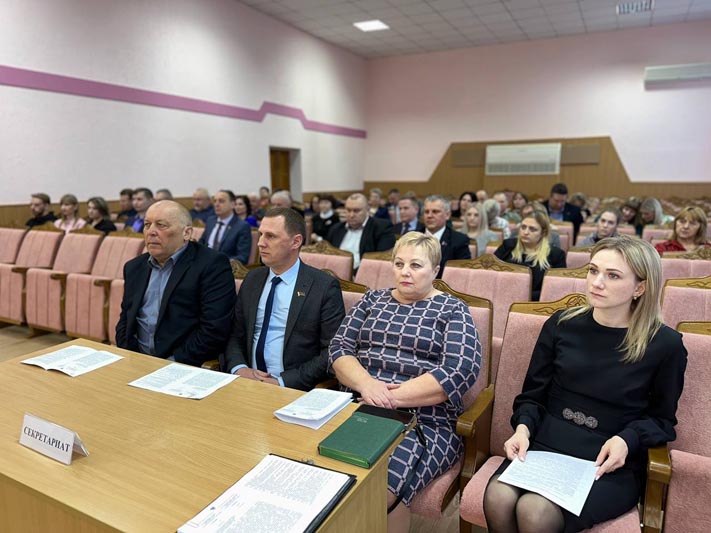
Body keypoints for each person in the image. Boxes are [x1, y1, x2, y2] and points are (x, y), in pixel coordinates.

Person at [483, 235, 687, 533]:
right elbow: (532, 396)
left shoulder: (665, 344)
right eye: (593, 270)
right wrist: (523, 429)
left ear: (640, 288)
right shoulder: (561, 324)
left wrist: (627, 440)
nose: (596, 282)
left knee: (535, 511)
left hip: (608, 458)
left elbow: (662, 420)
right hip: (548, 444)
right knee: (498, 497)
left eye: (612, 275)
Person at [329, 232, 481, 533]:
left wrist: (389, 398)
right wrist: (368, 386)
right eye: (399, 264)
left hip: (425, 421)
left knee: (378, 486)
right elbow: (339, 348)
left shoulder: (452, 309)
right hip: (359, 407)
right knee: (322, 470)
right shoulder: (372, 300)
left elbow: (460, 370)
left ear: (435, 270)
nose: (405, 272)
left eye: (415, 265)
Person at [224, 207, 345, 391]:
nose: (260, 243)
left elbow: (331, 350)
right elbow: (235, 334)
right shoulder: (253, 279)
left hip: (293, 387)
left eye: (271, 236)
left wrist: (283, 382)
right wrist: (239, 368)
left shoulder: (323, 287)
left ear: (295, 242)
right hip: (246, 382)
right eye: (261, 234)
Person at [116, 200, 236, 366]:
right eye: (147, 225)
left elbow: (214, 330)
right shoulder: (134, 267)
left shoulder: (212, 265)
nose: (151, 232)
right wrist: (131, 356)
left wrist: (172, 363)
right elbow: (125, 320)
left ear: (186, 233)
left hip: (182, 363)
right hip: (137, 360)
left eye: (161, 225)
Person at [494, 211, 566, 301]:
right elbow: (492, 274)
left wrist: (522, 296)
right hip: (503, 297)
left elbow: (556, 288)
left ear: (543, 233)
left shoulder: (556, 255)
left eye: (532, 229)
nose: (526, 232)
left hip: (536, 303)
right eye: (523, 227)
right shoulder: (508, 246)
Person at [326, 193, 395, 271]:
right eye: (348, 210)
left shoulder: (382, 227)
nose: (351, 215)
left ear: (367, 209)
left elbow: (381, 260)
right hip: (334, 273)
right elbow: (327, 255)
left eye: (356, 211)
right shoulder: (336, 229)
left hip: (365, 274)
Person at [422, 194, 471, 278]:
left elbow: (463, 275)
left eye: (435, 211)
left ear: (447, 215)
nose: (429, 216)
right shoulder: (412, 237)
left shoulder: (459, 241)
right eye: (426, 212)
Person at [199, 190, 251, 264]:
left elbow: (242, 257)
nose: (216, 204)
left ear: (233, 204)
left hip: (224, 266)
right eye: (215, 201)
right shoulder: (211, 221)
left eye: (221, 201)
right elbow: (201, 243)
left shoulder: (242, 226)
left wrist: (219, 262)